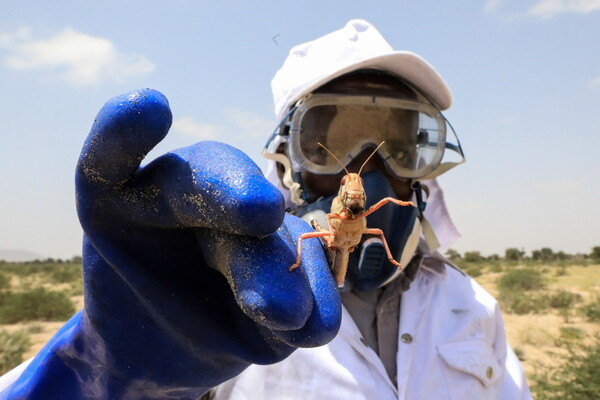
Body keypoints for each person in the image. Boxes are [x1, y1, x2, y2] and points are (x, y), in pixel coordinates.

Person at [0, 19, 530, 400]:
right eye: (330, 136)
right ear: (285, 161)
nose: (367, 172)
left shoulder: (474, 307)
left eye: (400, 144)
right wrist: (106, 374)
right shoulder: (231, 306)